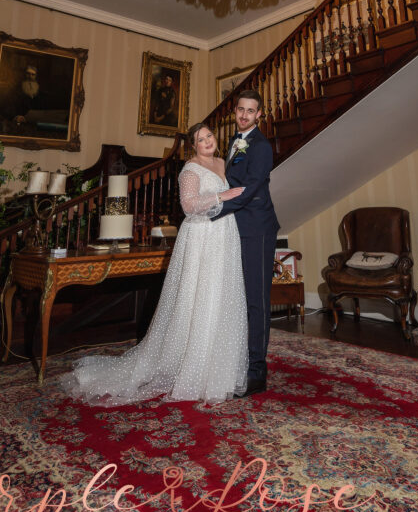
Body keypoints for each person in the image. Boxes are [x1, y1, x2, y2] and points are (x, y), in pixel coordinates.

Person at [61, 123, 246, 405]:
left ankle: (216, 370)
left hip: (224, 235)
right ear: (193, 145)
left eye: (209, 136)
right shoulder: (190, 169)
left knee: (221, 297)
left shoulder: (223, 162)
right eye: (200, 139)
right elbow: (188, 205)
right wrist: (222, 195)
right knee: (198, 298)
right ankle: (191, 368)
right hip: (201, 237)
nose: (207, 141)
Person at [215, 90, 280, 397]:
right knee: (237, 299)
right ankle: (239, 360)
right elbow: (229, 182)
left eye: (250, 111)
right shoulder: (234, 141)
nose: (244, 115)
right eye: (240, 109)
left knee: (257, 300)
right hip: (235, 227)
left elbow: (250, 188)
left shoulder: (262, 146)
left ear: (258, 115)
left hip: (257, 229)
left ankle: (257, 371)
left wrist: (214, 211)